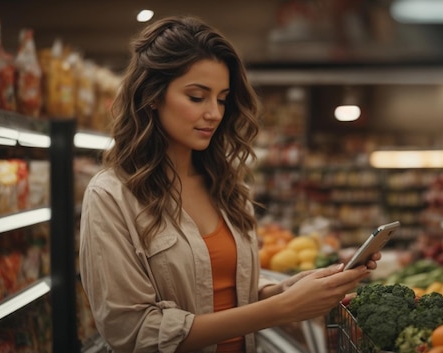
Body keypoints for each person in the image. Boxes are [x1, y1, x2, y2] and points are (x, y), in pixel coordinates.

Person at [78, 15, 380, 353]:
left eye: (221, 99)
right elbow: (133, 331)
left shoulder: (224, 185)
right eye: (196, 97)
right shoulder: (111, 196)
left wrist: (281, 291)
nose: (214, 113)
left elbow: (218, 289)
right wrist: (281, 309)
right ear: (152, 96)